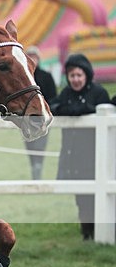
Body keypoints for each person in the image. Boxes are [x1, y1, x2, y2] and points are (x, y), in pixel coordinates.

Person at [50, 53, 110, 240]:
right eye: (72, 76)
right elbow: (54, 107)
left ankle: (102, 231)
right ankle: (87, 233)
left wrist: (79, 110)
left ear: (86, 75)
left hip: (96, 154)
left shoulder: (99, 93)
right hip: (74, 154)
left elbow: (105, 112)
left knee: (98, 196)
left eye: (79, 75)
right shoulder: (67, 93)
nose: (75, 80)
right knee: (81, 197)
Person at [22, 46, 57, 180]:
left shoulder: (46, 77)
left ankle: (38, 168)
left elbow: (53, 96)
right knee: (30, 145)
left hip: (42, 119)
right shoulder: (24, 77)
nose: (32, 59)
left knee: (41, 145)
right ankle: (34, 168)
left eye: (34, 56)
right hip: (26, 120)